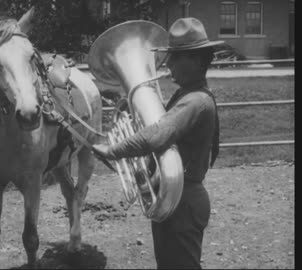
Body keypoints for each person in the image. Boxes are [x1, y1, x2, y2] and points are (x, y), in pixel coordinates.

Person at [92, 17, 223, 269]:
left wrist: (112, 150)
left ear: (195, 60)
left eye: (176, 57)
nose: (169, 62)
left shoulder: (195, 102)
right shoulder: (186, 96)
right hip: (176, 197)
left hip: (184, 202)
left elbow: (156, 134)